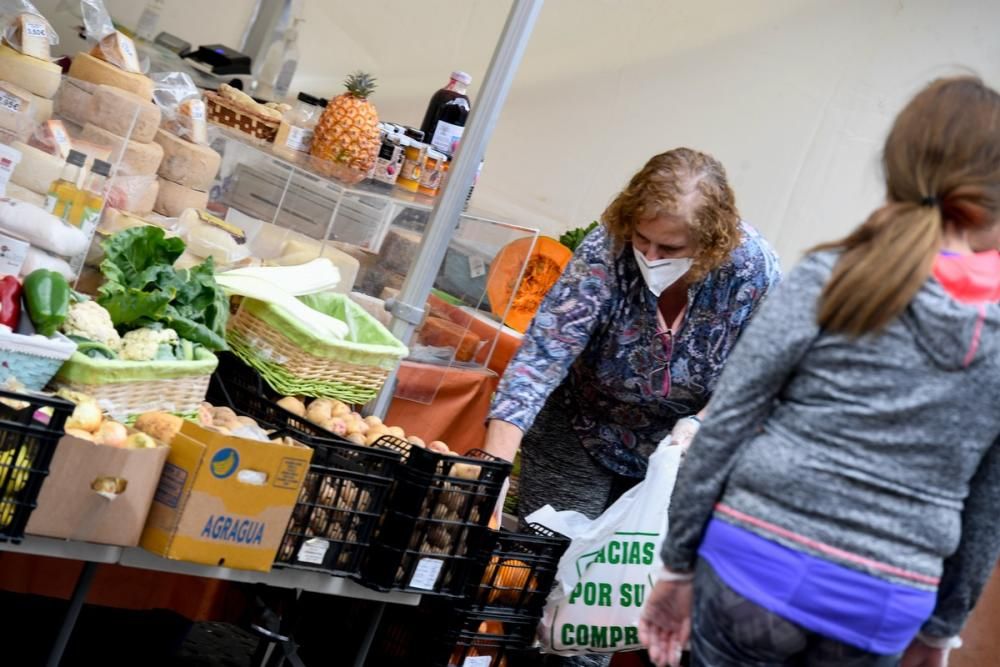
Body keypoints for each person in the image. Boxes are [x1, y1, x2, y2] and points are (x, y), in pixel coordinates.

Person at [640, 76, 1000, 667]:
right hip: (883, 601)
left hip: (751, 569)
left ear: (896, 165)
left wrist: (677, 565)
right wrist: (940, 630)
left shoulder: (831, 277)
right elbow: (988, 502)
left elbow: (726, 424)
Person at [484, 148, 781, 666]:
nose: (652, 254)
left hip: (675, 454)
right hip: (581, 429)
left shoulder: (752, 271)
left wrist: (697, 427)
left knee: (607, 608)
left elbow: (762, 374)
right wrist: (491, 475)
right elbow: (544, 354)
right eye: (643, 239)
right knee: (551, 587)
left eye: (671, 246)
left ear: (710, 244)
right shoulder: (608, 248)